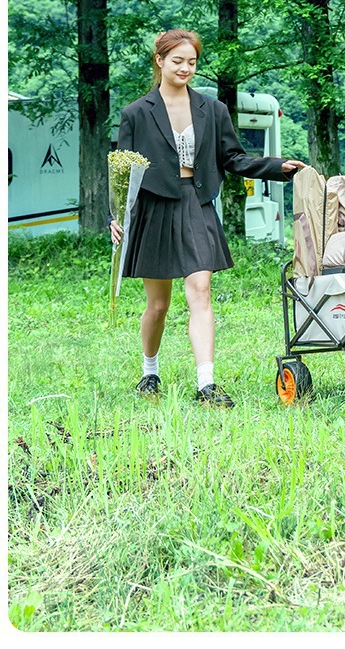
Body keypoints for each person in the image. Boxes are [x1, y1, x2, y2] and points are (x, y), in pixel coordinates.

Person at [110, 29, 305, 407]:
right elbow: (122, 172)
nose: (185, 68)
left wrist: (276, 167)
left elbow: (232, 158)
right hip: (153, 207)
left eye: (192, 62)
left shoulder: (212, 110)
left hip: (196, 204)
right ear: (160, 61)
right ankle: (150, 372)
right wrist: (114, 216)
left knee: (200, 289)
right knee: (158, 305)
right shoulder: (135, 113)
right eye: (177, 61)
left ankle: (207, 385)